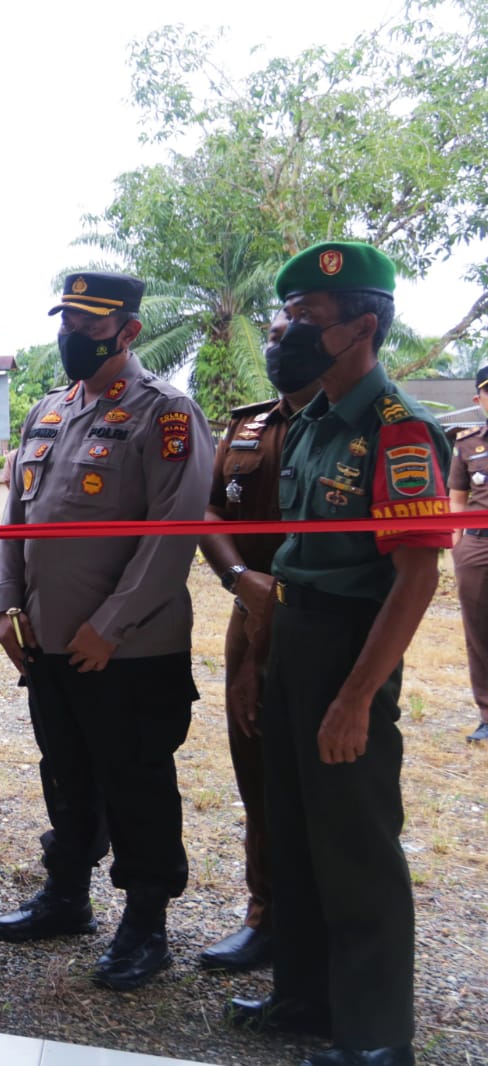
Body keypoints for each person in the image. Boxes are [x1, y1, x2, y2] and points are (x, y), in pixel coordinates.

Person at [225, 242, 447, 1066]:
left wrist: (356, 699)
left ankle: (376, 1036)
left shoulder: (400, 431)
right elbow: (289, 564)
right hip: (293, 639)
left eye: (305, 318)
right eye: (286, 315)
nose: (285, 331)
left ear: (361, 327)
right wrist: (257, 665)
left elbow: (416, 579)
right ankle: (304, 996)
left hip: (352, 646)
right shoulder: (312, 421)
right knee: (291, 829)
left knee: (354, 844)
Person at [0, 271, 212, 991]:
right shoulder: (49, 410)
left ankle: (146, 924)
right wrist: (6, 604)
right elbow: (19, 517)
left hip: (130, 649)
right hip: (48, 641)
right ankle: (67, 896)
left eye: (89, 325)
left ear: (129, 332)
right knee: (66, 771)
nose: (73, 336)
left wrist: (109, 627)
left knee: (136, 781)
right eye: (68, 323)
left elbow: (173, 534)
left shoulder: (165, 413)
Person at [196, 310, 317, 974]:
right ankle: (266, 915)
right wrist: (239, 578)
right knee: (257, 767)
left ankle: (319, 929)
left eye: (289, 334)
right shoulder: (248, 426)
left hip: (322, 616)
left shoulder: (350, 428)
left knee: (320, 778)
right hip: (251, 609)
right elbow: (211, 509)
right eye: (270, 337)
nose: (276, 347)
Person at [448, 365, 488, 745]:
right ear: (479, 399)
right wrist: (458, 546)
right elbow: (457, 500)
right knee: (479, 632)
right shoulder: (467, 444)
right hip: (477, 546)